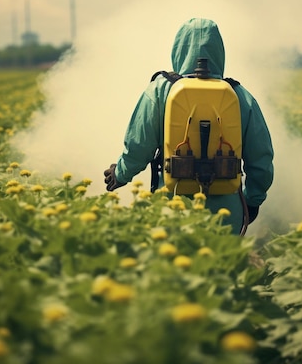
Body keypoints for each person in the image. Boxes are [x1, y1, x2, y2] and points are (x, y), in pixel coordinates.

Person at [104, 18, 273, 234]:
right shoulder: (240, 96)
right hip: (225, 216)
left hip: (171, 211)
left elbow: (138, 146)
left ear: (178, 49)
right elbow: (261, 158)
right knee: (224, 265)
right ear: (219, 51)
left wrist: (119, 174)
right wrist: (253, 200)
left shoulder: (160, 91)